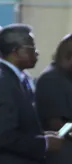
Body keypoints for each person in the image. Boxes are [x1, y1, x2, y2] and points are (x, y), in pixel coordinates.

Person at [0, 24, 63, 164]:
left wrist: (42, 136)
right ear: (16, 52)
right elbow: (5, 136)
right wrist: (44, 143)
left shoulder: (18, 77)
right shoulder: (2, 83)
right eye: (32, 48)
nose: (37, 52)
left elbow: (22, 124)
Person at [35, 33, 72, 164]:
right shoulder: (52, 80)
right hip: (63, 155)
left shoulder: (65, 77)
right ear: (69, 57)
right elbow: (57, 125)